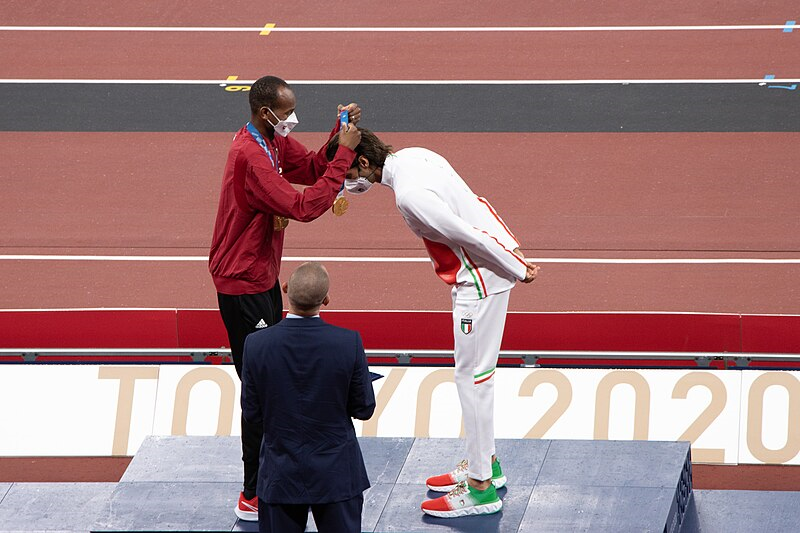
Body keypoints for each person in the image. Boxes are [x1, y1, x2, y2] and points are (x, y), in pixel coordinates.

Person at [326, 130, 539, 518]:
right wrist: (511, 246)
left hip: (478, 283)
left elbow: (463, 231)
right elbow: (476, 202)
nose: (344, 183)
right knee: (475, 377)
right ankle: (485, 463)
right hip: (482, 276)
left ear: (364, 164)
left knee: (473, 380)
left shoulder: (410, 195)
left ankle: (479, 489)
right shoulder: (415, 155)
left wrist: (514, 264)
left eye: (345, 172)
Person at [208, 75, 362, 521]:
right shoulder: (251, 155)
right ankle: (253, 491)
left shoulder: (271, 139)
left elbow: (313, 168)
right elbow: (303, 207)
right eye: (287, 110)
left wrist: (338, 136)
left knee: (275, 381)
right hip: (243, 284)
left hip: (260, 275)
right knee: (261, 388)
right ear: (264, 112)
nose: (293, 118)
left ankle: (278, 473)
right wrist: (347, 154)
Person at [241, 262, 376, 533]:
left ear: (285, 288)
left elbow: (252, 413)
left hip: (280, 476)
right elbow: (364, 408)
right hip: (337, 474)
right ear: (325, 300)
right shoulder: (348, 342)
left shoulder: (256, 345)